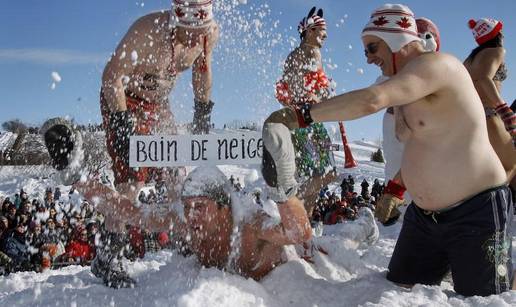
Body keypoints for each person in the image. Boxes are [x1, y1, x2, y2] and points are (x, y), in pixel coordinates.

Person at [262, 3, 513, 296]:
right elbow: (425, 147)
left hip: (476, 212)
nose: (369, 59)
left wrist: (299, 115)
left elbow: (371, 99)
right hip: (425, 219)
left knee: (489, 299)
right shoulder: (407, 87)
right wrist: (395, 188)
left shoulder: (438, 65)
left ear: (396, 38)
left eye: (372, 48)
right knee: (396, 291)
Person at [40, 0, 219, 288]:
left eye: (200, 31)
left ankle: (185, 242)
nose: (193, 38)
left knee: (177, 175)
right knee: (131, 183)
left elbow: (202, 69)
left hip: (158, 104)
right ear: (176, 19)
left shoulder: (207, 34)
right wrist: (123, 124)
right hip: (123, 99)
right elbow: (111, 75)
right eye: (187, 31)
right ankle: (110, 256)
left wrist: (202, 110)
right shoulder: (147, 30)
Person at [76, 166, 311, 281]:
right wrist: (75, 176)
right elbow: (128, 212)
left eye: (200, 207)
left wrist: (283, 190)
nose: (191, 216)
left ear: (223, 208)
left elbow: (298, 232)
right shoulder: (183, 221)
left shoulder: (249, 224)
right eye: (188, 207)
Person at [376, 17, 441, 225]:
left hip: (426, 176)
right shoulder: (394, 77)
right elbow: (370, 98)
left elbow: (422, 149)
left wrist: (395, 189)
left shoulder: (433, 76)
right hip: (400, 153)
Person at [275, 7, 336, 216]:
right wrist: (325, 93)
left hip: (297, 120)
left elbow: (291, 90)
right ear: (310, 31)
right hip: (306, 119)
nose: (324, 38)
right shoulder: (312, 51)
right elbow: (307, 92)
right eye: (322, 34)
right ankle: (289, 208)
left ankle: (303, 224)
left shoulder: (294, 55)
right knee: (325, 173)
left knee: (314, 177)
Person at [463, 18, 516, 197]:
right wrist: (503, 109)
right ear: (497, 34)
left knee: (481, 170)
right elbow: (485, 79)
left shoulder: (468, 60)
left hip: (468, 118)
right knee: (511, 165)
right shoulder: (497, 51)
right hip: (489, 115)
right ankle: (488, 204)